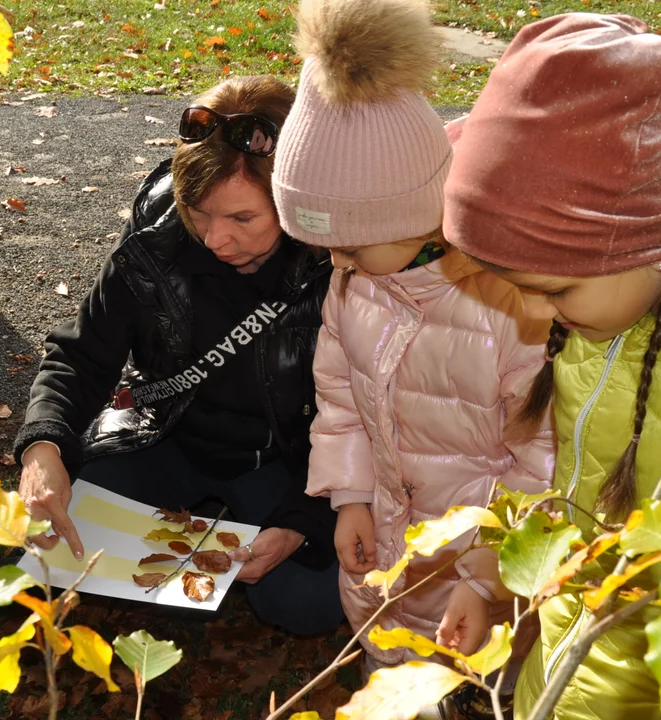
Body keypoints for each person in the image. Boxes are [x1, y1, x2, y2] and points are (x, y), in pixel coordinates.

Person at [442, 13, 661, 720]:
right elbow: (585, 499)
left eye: (555, 290)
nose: (540, 315)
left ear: (651, 241)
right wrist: (496, 578)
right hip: (577, 679)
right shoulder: (614, 323)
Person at [270, 0, 555, 681]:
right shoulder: (356, 285)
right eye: (323, 246)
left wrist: (488, 580)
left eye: (350, 244)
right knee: (396, 670)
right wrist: (351, 498)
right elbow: (340, 400)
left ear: (418, 213)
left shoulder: (510, 306)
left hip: (479, 571)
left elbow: (540, 464)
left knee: (482, 680)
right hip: (392, 553)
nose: (334, 264)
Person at [13, 75, 342, 636]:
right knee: (36, 560)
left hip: (292, 463)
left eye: (243, 219)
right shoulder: (157, 237)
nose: (216, 239)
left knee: (305, 604)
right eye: (198, 211)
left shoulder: (344, 259)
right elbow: (80, 356)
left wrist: (301, 521)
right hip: (163, 436)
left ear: (299, 201)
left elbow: (367, 418)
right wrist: (43, 448)